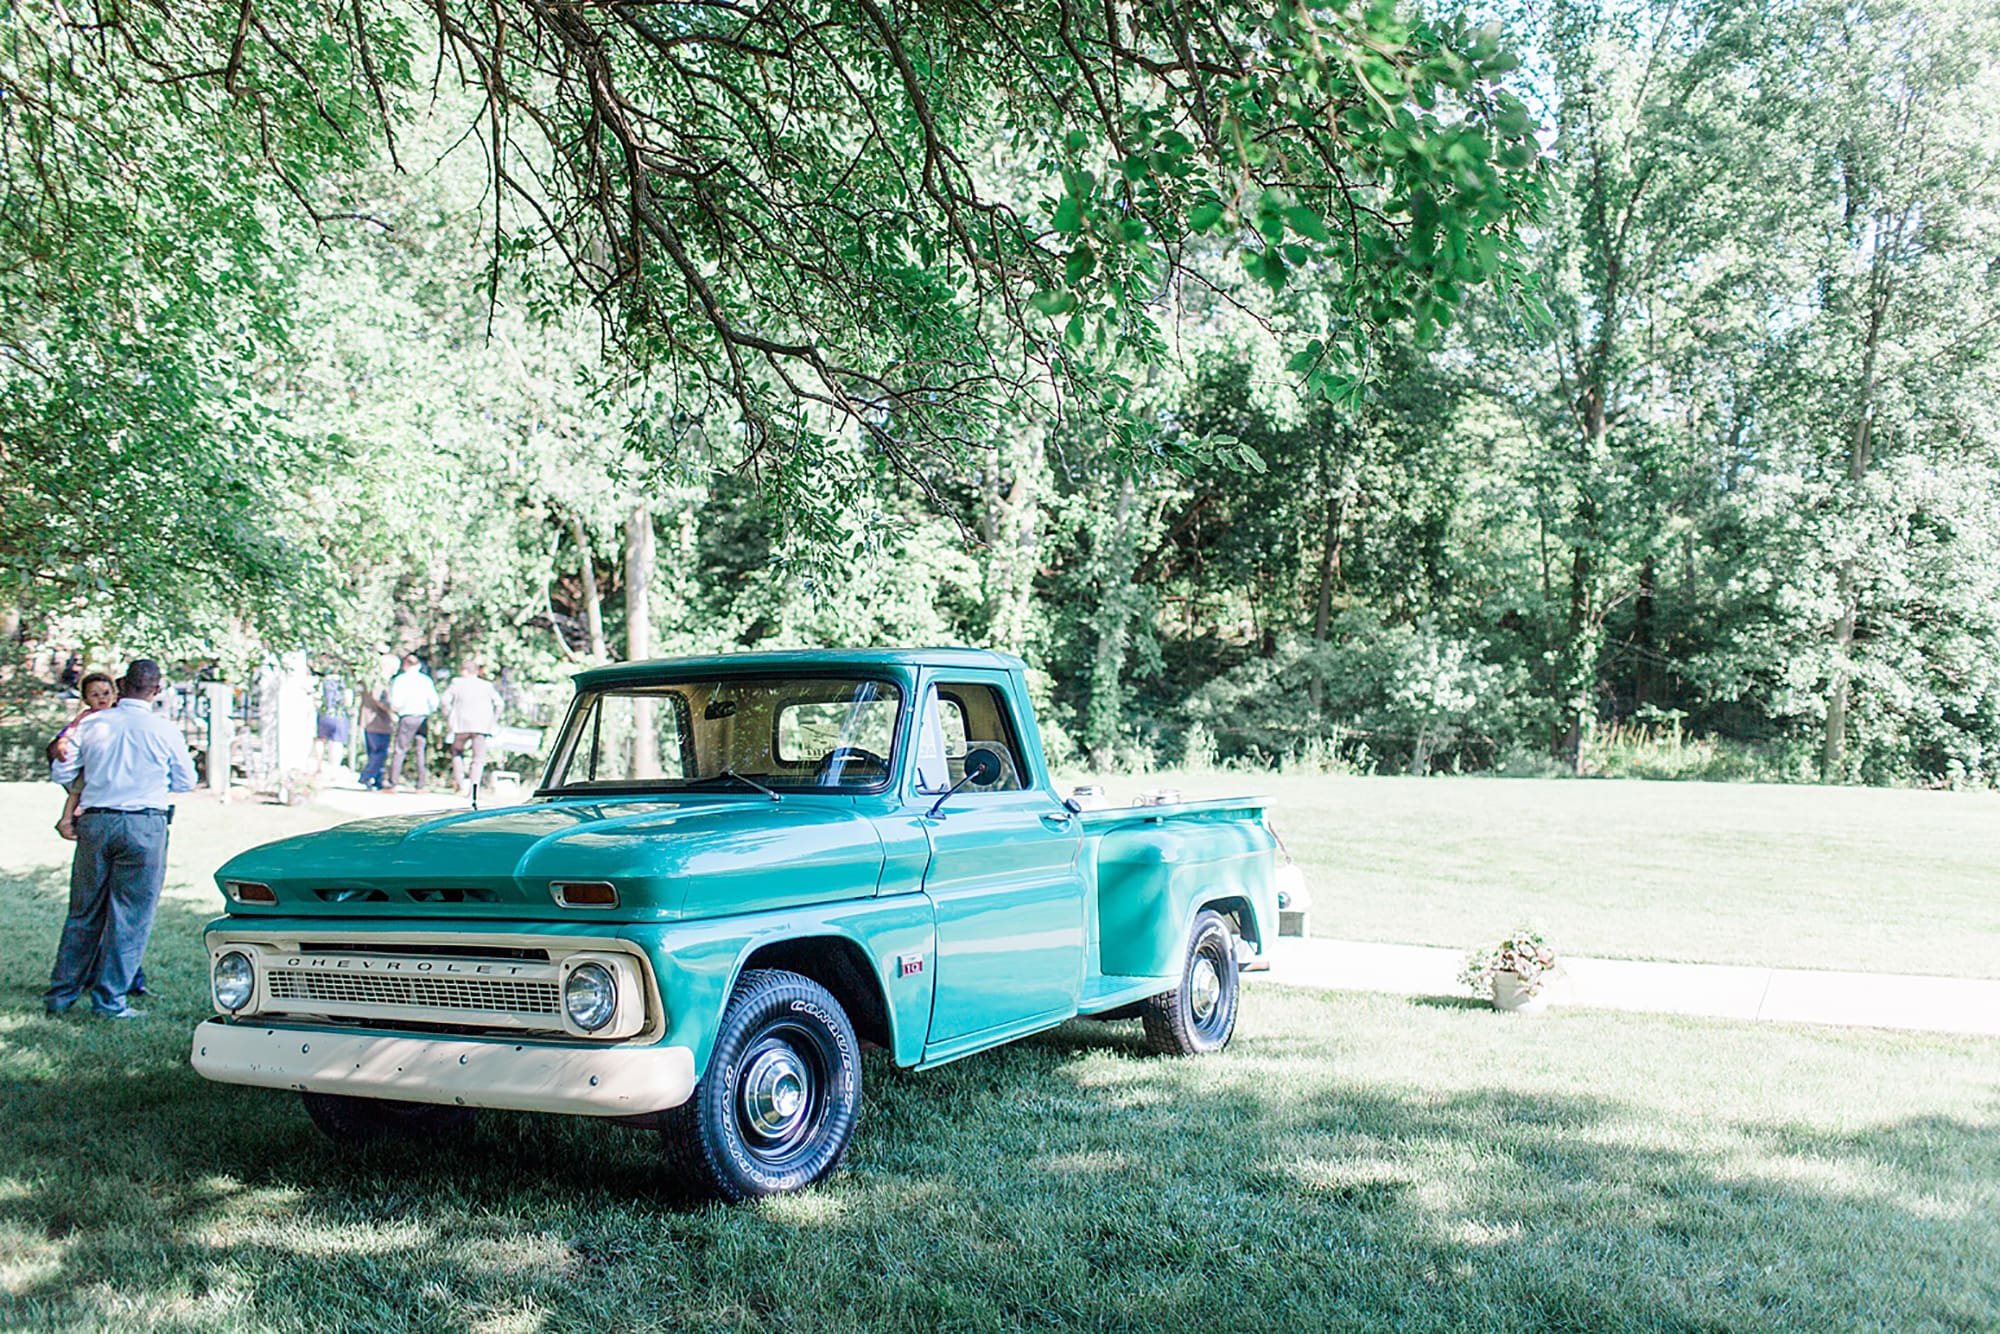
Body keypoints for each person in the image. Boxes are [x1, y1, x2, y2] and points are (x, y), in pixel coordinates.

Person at [44, 658, 195, 1018]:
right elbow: (185, 782)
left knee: (83, 911)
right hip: (144, 823)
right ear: (156, 690)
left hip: (96, 822)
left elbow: (62, 768)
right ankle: (110, 999)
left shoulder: (94, 723)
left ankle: (62, 994)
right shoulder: (165, 730)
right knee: (131, 915)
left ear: (124, 684)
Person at [51, 672, 119, 840]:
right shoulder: (86, 717)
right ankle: (67, 818)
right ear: (86, 699)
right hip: (89, 762)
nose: (101, 698)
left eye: (106, 693)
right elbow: (70, 732)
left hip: (109, 760)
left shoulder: (118, 714)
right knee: (77, 789)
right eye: (94, 695)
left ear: (114, 694)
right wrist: (62, 744)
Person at [441, 659, 504, 795]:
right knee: (478, 758)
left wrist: (449, 716)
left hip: (460, 724)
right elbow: (499, 704)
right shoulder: (486, 685)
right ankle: (473, 790)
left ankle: (459, 783)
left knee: (457, 752)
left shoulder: (457, 683)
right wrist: (493, 720)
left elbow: (444, 700)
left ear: (464, 670)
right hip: (481, 726)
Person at [383, 653, 439, 792]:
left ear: (405, 665)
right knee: (421, 750)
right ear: (419, 665)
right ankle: (420, 786)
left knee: (400, 749)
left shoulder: (400, 680)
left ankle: (392, 783)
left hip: (407, 716)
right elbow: (434, 701)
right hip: (422, 717)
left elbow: (396, 702)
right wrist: (429, 712)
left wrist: (397, 710)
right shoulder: (426, 680)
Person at [357, 676, 395, 790]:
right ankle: (366, 776)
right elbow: (379, 699)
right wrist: (392, 710)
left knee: (374, 752)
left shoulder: (370, 680)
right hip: (377, 721)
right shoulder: (378, 682)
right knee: (380, 752)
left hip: (371, 721)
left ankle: (378, 780)